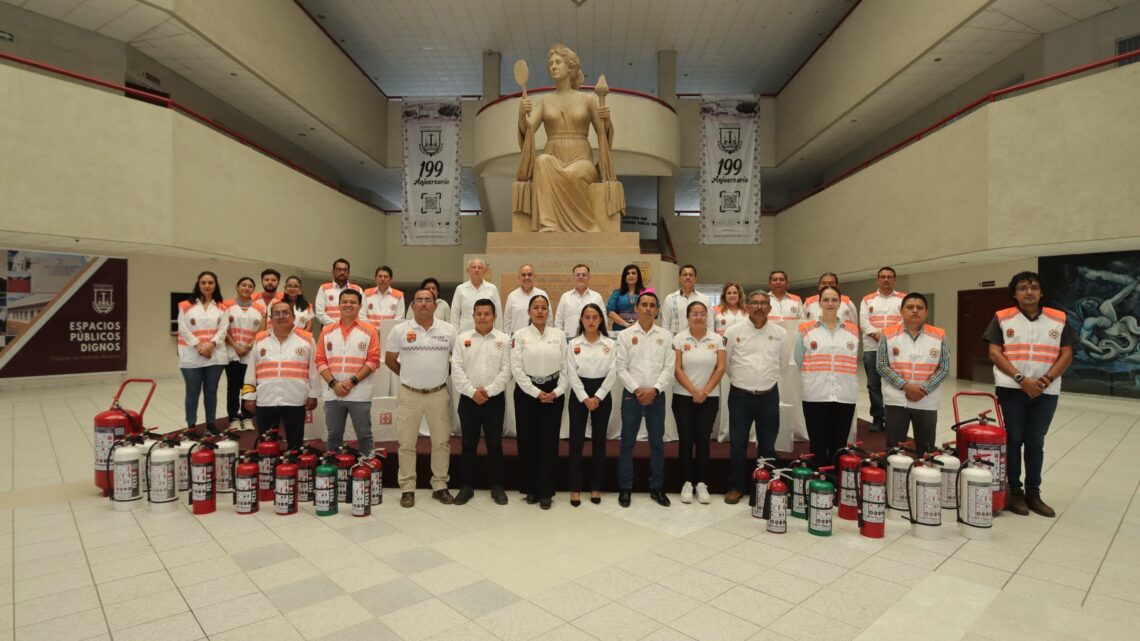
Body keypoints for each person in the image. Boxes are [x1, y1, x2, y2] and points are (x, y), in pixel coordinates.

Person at [984, 272, 1075, 517]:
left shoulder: (1058, 319)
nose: (1029, 292)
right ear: (1014, 293)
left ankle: (1034, 493)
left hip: (1047, 390)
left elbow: (1066, 353)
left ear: (1041, 292)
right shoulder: (1002, 318)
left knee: (1036, 440)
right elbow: (995, 353)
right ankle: (1015, 491)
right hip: (1012, 388)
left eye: (1034, 287)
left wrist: (1046, 379)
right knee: (1014, 439)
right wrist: (1021, 379)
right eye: (1023, 288)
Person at [517, 43, 617, 232]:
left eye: (558, 62)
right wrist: (522, 115)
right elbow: (528, 130)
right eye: (551, 63)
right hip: (553, 155)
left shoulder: (587, 99)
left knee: (571, 174)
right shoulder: (544, 101)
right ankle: (549, 224)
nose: (553, 66)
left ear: (570, 67)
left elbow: (603, 134)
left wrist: (607, 119)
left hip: (581, 158)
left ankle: (587, 224)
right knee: (542, 161)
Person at [386, 289, 459, 508]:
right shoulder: (400, 330)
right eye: (419, 300)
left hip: (438, 394)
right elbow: (390, 360)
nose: (424, 303)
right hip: (409, 394)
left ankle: (440, 486)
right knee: (406, 443)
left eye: (429, 300)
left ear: (436, 305)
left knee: (441, 442)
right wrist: (409, 376)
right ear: (412, 305)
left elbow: (458, 359)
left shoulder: (448, 330)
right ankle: (407, 488)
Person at [723, 291, 791, 504]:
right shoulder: (733, 331)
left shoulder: (780, 333)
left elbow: (782, 363)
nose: (759, 307)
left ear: (770, 308)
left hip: (768, 395)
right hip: (740, 396)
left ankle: (768, 486)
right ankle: (736, 486)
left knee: (767, 444)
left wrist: (763, 382)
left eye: (763, 303)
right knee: (738, 444)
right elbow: (727, 364)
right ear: (748, 306)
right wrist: (744, 381)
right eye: (755, 303)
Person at [615, 292, 675, 508]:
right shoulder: (625, 335)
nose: (648, 308)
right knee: (627, 444)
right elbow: (620, 367)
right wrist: (638, 390)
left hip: (657, 397)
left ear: (657, 310)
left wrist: (655, 390)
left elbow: (669, 368)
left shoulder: (666, 336)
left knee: (657, 445)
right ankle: (625, 488)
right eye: (644, 305)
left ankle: (657, 487)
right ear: (637, 309)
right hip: (632, 396)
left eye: (652, 305)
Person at [451, 299, 512, 506]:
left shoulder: (503, 339)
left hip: (494, 400)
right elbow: (456, 370)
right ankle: (466, 487)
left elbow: (507, 371)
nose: (483, 317)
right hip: (468, 400)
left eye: (487, 313)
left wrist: (489, 391)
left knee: (495, 444)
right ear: (473, 316)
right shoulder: (462, 339)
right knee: (468, 444)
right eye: (479, 313)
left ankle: (497, 486)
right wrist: (471, 392)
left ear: (495, 316)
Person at [511, 294, 569, 509]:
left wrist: (558, 390)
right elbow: (516, 368)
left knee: (548, 442)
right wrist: (535, 392)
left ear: (549, 312)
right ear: (529, 311)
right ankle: (531, 489)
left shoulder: (559, 335)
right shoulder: (519, 335)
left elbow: (566, 367)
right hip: (527, 392)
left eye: (544, 307)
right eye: (535, 307)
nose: (539, 311)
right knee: (527, 441)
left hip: (554, 392)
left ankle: (546, 491)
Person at [877, 293, 949, 455]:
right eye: (910, 307)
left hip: (927, 400)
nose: (915, 310)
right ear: (901, 311)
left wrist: (923, 389)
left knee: (926, 449)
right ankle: (895, 479)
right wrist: (906, 386)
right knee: (894, 449)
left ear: (926, 312)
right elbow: (881, 365)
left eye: (919, 308)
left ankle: (924, 478)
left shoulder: (939, 335)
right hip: (896, 400)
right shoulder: (888, 334)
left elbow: (944, 368)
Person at [796, 285, 860, 467]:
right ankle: (819, 489)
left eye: (834, 300)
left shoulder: (853, 331)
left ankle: (835, 485)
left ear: (840, 303)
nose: (830, 303)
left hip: (844, 395)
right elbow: (798, 359)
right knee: (817, 444)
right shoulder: (806, 329)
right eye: (826, 300)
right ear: (819, 303)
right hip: (815, 394)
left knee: (839, 446)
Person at [242, 301, 319, 450]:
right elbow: (251, 369)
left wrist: (313, 395)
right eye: (276, 313)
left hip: (295, 399)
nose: (281, 316)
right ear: (270, 317)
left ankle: (293, 467)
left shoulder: (307, 339)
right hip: (266, 399)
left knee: (295, 443)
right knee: (266, 445)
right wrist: (249, 396)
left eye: (285, 313)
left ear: (293, 317)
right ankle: (268, 469)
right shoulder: (260, 338)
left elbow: (313, 370)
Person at [672, 301, 726, 504]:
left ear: (707, 317)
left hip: (709, 397)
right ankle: (686, 482)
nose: (698, 317)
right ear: (687, 317)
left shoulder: (717, 339)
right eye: (694, 314)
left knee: (703, 441)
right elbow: (677, 368)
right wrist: (694, 390)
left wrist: (705, 391)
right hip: (683, 396)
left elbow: (720, 368)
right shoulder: (679, 338)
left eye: (702, 314)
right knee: (686, 440)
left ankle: (702, 483)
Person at [316, 289, 380, 457]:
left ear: (360, 306)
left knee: (364, 435)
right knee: (334, 436)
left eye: (353, 302)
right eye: (344, 302)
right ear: (338, 305)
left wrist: (351, 382)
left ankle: (368, 470)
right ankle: (333, 474)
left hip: (359, 392)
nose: (348, 305)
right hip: (333, 393)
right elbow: (320, 360)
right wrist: (334, 384)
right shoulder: (327, 330)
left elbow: (373, 361)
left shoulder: (369, 331)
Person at [566, 303, 616, 506]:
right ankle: (575, 488)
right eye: (587, 317)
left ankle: (596, 487)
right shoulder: (573, 344)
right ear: (581, 320)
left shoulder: (610, 344)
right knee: (576, 442)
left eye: (595, 317)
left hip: (602, 392)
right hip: (579, 393)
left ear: (601, 320)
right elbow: (570, 371)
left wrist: (598, 396)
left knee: (599, 442)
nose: (591, 321)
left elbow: (614, 371)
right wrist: (584, 397)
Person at [177, 271, 229, 433]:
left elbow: (223, 329)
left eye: (210, 282)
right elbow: (183, 328)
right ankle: (191, 425)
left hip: (215, 355)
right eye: (204, 282)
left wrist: (211, 345)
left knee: (211, 391)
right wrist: (199, 345)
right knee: (192, 391)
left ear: (215, 285)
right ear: (198, 285)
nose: (207, 285)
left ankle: (211, 424)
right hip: (192, 355)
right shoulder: (185, 305)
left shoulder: (222, 307)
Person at [860, 266, 906, 432]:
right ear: (877, 280)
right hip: (872, 347)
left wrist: (887, 336)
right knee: (873, 384)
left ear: (894, 279)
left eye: (889, 277)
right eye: (883, 277)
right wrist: (878, 335)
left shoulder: (903, 299)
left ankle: (894, 417)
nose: (886, 279)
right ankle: (878, 418)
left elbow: (905, 320)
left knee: (895, 383)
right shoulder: (867, 300)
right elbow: (864, 323)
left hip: (896, 348)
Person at [223, 276, 265, 431]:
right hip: (232, 353)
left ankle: (247, 417)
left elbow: (262, 330)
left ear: (253, 290)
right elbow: (223, 329)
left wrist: (248, 346)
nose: (247, 288)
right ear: (237, 287)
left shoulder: (260, 309)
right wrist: (235, 346)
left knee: (248, 386)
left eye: (250, 286)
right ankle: (233, 418)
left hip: (250, 353)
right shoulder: (226, 305)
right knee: (233, 387)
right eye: (244, 285)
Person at [451, 258, 502, 333]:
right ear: (468, 270)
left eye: (479, 268)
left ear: (484, 271)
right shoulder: (460, 289)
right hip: (465, 334)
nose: (476, 270)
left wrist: (499, 333)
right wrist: (455, 335)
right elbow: (454, 314)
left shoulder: (492, 288)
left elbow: (498, 312)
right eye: (473, 267)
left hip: (488, 333)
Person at [554, 264, 606, 337]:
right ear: (573, 278)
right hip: (568, 340)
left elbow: (603, 321)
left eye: (584, 275)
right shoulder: (565, 297)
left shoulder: (597, 297)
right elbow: (558, 322)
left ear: (589, 277)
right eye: (578, 275)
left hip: (591, 340)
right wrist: (558, 338)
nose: (581, 277)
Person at [661, 265, 710, 335]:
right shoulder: (670, 299)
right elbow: (665, 325)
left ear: (695, 279)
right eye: (684, 275)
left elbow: (710, 324)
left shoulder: (705, 299)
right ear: (679, 278)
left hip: (699, 342)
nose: (688, 277)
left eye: (691, 275)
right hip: (675, 343)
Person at [315, 258, 364, 327]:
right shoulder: (324, 289)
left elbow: (362, 313)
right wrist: (337, 326)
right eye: (339, 269)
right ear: (333, 271)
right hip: (330, 330)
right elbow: (319, 313)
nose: (342, 272)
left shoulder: (358, 289)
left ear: (349, 272)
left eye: (345, 270)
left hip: (353, 330)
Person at [503, 264, 547, 337]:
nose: (526, 277)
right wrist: (509, 339)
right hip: (517, 339)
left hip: (538, 338)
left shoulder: (542, 294)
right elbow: (507, 322)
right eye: (523, 275)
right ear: (519, 277)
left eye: (529, 275)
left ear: (534, 277)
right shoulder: (512, 296)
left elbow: (548, 319)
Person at [607, 263, 647, 333]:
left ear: (638, 276)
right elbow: (609, 311)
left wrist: (639, 324)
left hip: (642, 330)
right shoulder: (616, 293)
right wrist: (626, 324)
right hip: (620, 331)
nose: (630, 275)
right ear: (624, 277)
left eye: (633, 273)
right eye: (627, 274)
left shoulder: (647, 292)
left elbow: (654, 310)